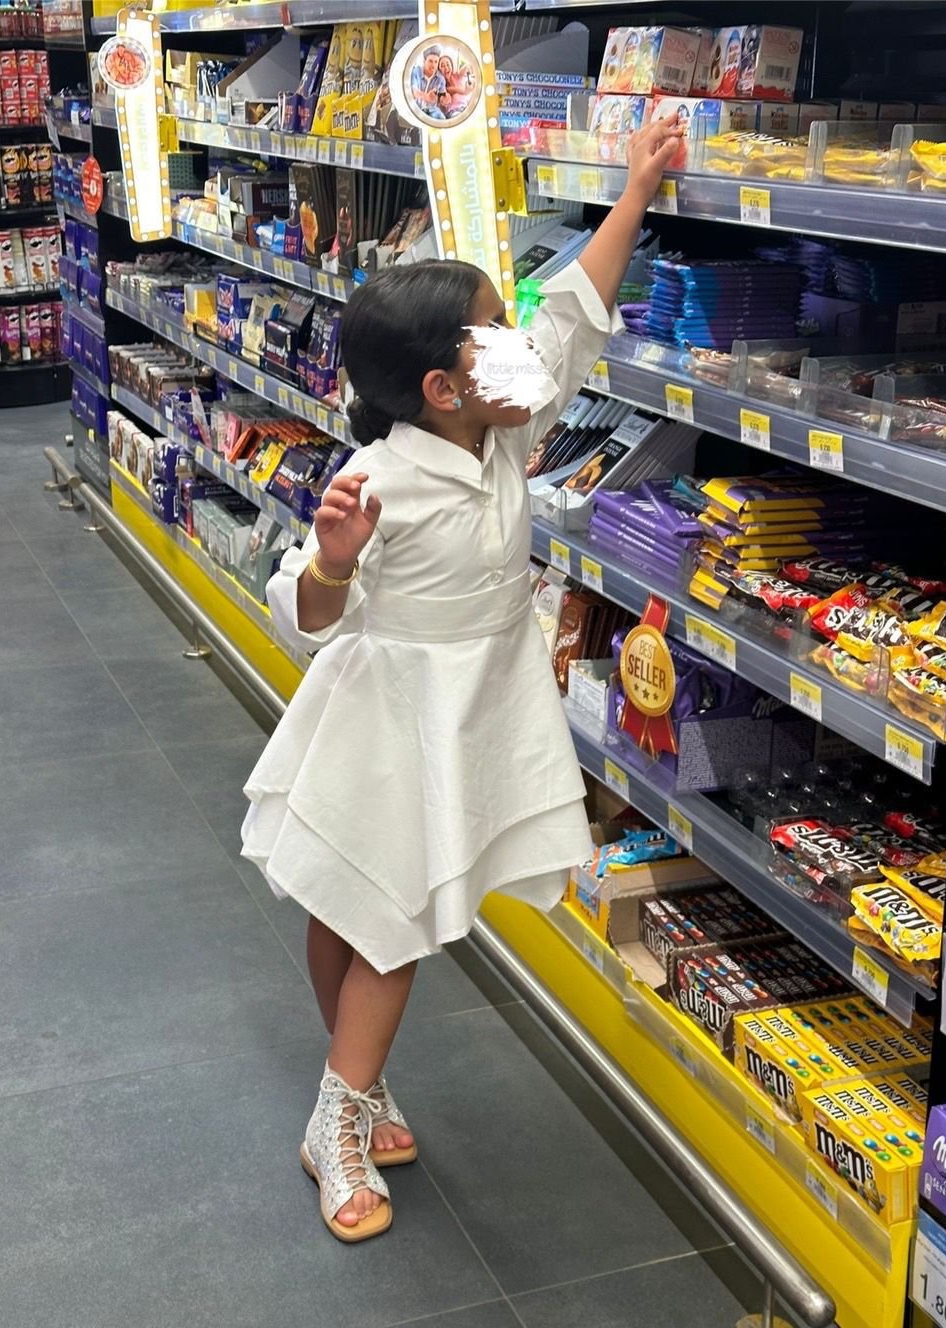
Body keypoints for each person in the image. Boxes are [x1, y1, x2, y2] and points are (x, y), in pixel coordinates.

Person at [241, 116, 682, 1243]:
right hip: (389, 716)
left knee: (356, 905)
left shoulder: (505, 435)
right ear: (443, 385)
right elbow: (301, 612)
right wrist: (334, 562)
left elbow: (572, 316)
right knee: (387, 920)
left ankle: (358, 1087)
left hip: (469, 714)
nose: (521, 346)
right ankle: (338, 1113)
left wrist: (633, 191)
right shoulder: (378, 478)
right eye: (496, 335)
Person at [409, 46, 447, 120]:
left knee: (441, 117)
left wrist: (444, 100)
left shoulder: (441, 78)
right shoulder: (416, 72)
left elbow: (442, 97)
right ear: (424, 61)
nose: (433, 65)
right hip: (415, 108)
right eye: (430, 61)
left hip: (432, 110)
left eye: (436, 62)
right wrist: (426, 96)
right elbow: (413, 92)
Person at [437, 52, 474, 117]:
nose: (446, 68)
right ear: (439, 71)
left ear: (451, 66)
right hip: (454, 112)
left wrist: (468, 67)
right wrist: (466, 91)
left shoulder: (457, 76)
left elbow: (466, 67)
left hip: (465, 109)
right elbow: (461, 91)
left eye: (448, 64)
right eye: (442, 66)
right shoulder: (444, 87)